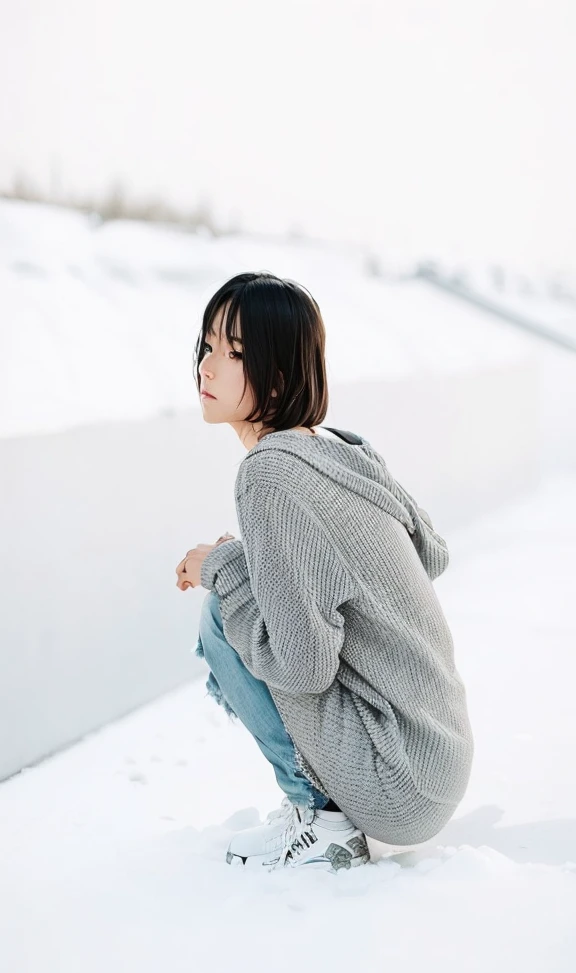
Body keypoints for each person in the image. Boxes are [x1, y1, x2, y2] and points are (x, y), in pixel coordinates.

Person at [175, 271, 474, 873]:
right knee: (244, 588)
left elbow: (303, 668)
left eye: (234, 353)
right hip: (438, 757)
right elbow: (429, 552)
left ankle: (322, 819)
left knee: (219, 612)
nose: (208, 367)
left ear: (279, 376)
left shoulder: (269, 473)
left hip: (396, 782)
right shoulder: (338, 449)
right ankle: (324, 806)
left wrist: (227, 569)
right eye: (207, 345)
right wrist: (263, 565)